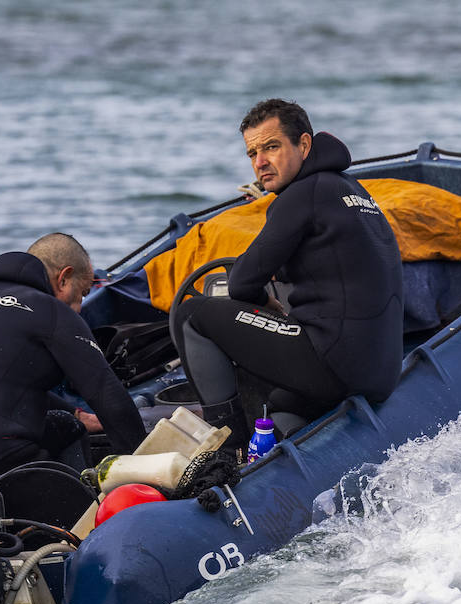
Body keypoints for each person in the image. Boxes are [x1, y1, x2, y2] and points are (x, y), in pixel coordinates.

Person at [172, 98, 403, 448]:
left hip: (334, 363)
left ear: (304, 144)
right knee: (281, 403)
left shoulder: (301, 196)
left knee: (192, 314)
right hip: (379, 373)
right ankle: (286, 454)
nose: (260, 162)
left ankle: (226, 451)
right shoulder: (354, 191)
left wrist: (267, 303)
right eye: (252, 154)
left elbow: (241, 282)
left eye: (271, 147)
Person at [0, 233, 147, 480]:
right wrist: (144, 465)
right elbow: (107, 394)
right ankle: (84, 501)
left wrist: (77, 414)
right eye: (83, 294)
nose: (80, 308)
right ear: (64, 279)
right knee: (82, 486)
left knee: (68, 424)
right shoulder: (51, 311)